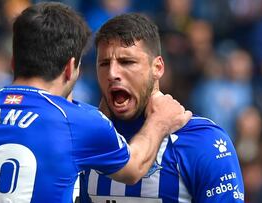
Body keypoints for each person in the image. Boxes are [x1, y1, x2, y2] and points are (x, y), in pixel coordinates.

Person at [0, 3, 191, 203]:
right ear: (70, 67)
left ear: (13, 62)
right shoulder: (75, 121)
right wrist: (160, 121)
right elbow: (135, 168)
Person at [78, 13, 245, 202]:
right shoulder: (86, 139)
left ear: (157, 68)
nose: (112, 73)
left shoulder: (203, 140)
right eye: (104, 63)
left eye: (127, 62)